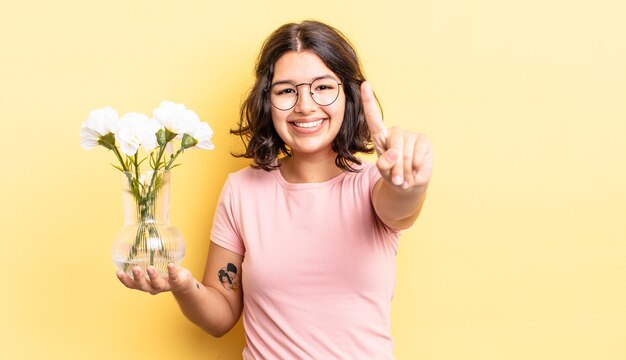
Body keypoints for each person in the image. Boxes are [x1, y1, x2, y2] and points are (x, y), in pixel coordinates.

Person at [117, 20, 433, 359]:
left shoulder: (373, 184)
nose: (305, 106)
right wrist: (183, 287)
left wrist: (409, 181)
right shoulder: (242, 191)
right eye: (286, 91)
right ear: (267, 100)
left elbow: (400, 205)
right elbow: (220, 315)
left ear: (348, 94)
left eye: (323, 87)